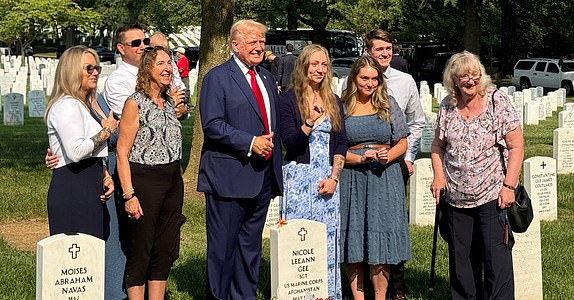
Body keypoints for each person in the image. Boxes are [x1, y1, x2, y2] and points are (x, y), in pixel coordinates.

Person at [197, 19, 283, 300]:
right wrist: (249, 142)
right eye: (253, 42)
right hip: (228, 178)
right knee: (223, 251)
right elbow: (212, 124)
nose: (260, 47)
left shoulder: (267, 78)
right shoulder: (217, 77)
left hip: (262, 179)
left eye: (261, 42)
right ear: (235, 45)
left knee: (250, 249)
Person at [430, 51, 523, 300]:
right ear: (454, 79)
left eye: (474, 75)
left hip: (492, 195)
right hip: (455, 197)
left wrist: (509, 186)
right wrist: (438, 176)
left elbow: (516, 146)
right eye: (464, 76)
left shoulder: (496, 101)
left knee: (496, 261)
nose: (470, 81)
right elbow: (438, 146)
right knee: (461, 262)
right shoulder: (448, 106)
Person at [116, 46, 185, 300]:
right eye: (162, 64)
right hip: (144, 182)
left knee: (165, 248)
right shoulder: (135, 103)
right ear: (148, 69)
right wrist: (129, 194)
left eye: (170, 63)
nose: (168, 68)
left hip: (172, 180)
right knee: (141, 249)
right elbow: (122, 152)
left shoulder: (169, 103)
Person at [340, 55, 411, 300]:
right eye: (364, 78)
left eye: (374, 79)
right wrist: (359, 158)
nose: (369, 84)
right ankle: (358, 297)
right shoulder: (342, 107)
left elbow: (402, 141)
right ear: (354, 78)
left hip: (384, 177)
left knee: (381, 239)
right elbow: (335, 150)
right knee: (355, 238)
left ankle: (380, 297)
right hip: (352, 179)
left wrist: (388, 155)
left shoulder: (388, 104)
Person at [279, 44, 347, 299]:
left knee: (327, 240)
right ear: (304, 66)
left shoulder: (334, 100)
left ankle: (327, 293)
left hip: (327, 181)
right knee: (299, 241)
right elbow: (290, 144)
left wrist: (334, 178)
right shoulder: (287, 100)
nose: (320, 69)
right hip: (299, 179)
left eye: (324, 65)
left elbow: (341, 142)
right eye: (314, 64)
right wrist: (308, 122)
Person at [363, 29, 425, 300]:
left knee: (392, 224)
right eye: (379, 49)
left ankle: (397, 288)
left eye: (388, 49)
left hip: (396, 162)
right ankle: (366, 284)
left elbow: (417, 121)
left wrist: (407, 156)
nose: (385, 53)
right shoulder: (355, 81)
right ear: (368, 51)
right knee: (367, 222)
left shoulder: (405, 81)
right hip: (363, 165)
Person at [44, 45, 117, 240]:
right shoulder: (67, 105)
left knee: (89, 260)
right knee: (74, 262)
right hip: (74, 189)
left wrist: (104, 175)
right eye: (89, 68)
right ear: (72, 70)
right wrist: (107, 130)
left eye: (97, 69)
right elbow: (76, 151)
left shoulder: (83, 104)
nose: (95, 73)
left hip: (88, 186)